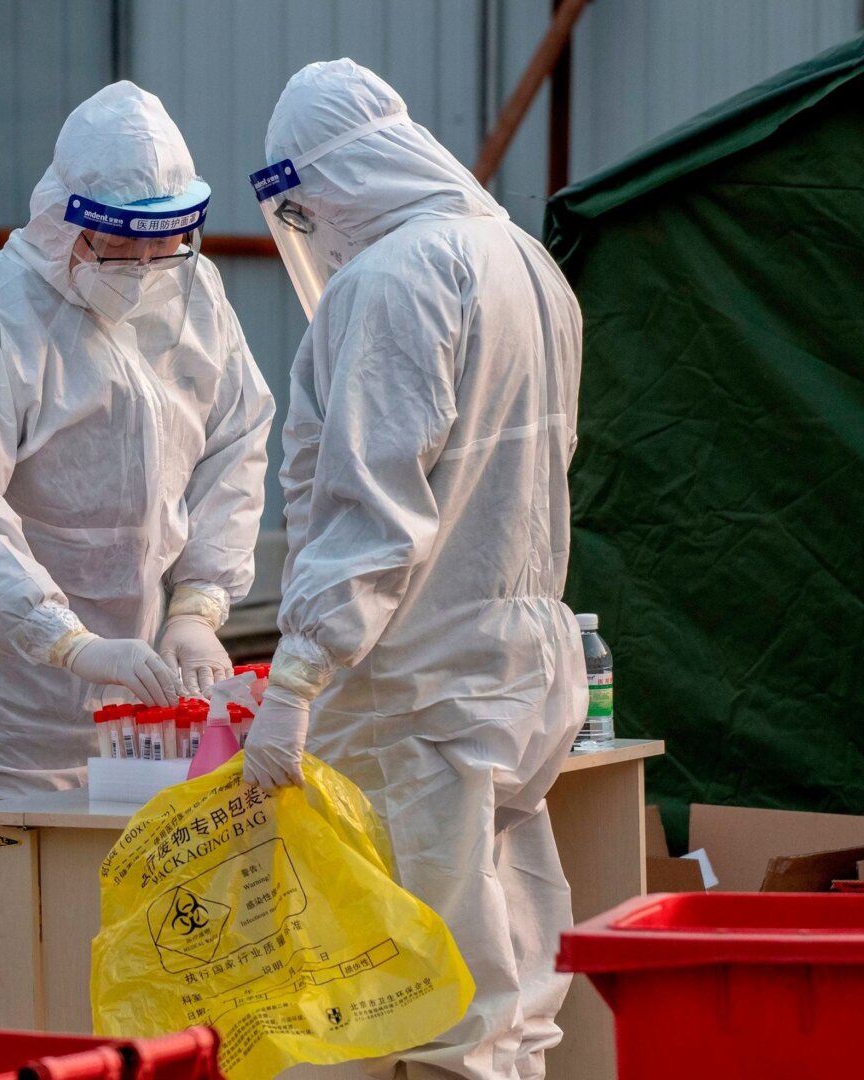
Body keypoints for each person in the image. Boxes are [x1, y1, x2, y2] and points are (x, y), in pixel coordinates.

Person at [0, 81, 274, 1016]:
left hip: (137, 723)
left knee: (118, 966)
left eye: (164, 241)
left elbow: (236, 443)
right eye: (121, 243)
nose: (144, 266)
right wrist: (63, 641)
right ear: (67, 222)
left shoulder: (193, 298)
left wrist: (199, 605)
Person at [240, 60, 588, 1080]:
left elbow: (371, 508)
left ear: (337, 178)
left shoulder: (394, 280)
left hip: (415, 682)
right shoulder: (523, 260)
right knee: (510, 974)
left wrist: (298, 675)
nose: (311, 232)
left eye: (306, 207)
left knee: (430, 998)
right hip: (515, 664)